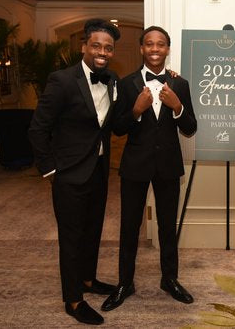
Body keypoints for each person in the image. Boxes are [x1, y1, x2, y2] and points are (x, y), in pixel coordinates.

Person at [28, 19, 121, 325]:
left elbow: (108, 125)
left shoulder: (112, 80)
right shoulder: (62, 80)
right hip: (68, 173)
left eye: (108, 47)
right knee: (71, 236)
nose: (102, 52)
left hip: (97, 169)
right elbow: (38, 129)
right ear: (84, 46)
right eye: (96, 45)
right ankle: (73, 299)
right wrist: (50, 169)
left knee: (93, 229)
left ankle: (88, 281)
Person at [101, 26, 197, 312]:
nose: (155, 49)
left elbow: (190, 128)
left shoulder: (180, 84)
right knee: (129, 227)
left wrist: (178, 106)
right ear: (142, 48)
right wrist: (136, 110)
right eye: (149, 44)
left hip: (168, 165)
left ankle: (170, 280)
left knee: (168, 226)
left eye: (161, 45)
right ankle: (124, 283)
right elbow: (117, 129)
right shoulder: (127, 83)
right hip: (135, 165)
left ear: (168, 49)